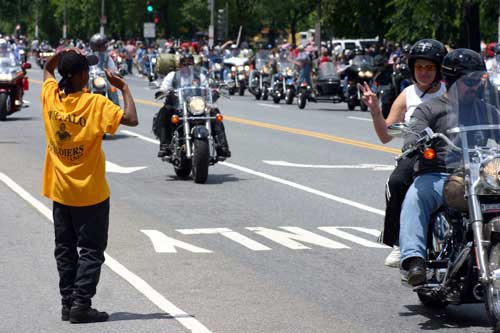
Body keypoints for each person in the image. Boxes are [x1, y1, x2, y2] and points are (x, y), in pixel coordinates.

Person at [41, 49, 138, 323]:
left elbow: (47, 71)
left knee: (65, 250)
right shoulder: (95, 104)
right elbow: (131, 119)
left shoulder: (51, 97)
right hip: (91, 194)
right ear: (83, 76)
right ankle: (81, 305)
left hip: (61, 192)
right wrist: (125, 88)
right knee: (91, 251)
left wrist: (58, 57)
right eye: (86, 70)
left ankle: (67, 303)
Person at [398, 48, 499, 286]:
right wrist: (415, 142)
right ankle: (414, 260)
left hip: (478, 174)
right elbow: (412, 132)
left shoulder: (485, 109)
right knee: (415, 198)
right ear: (452, 80)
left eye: (479, 81)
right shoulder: (430, 109)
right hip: (438, 173)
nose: (476, 87)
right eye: (470, 81)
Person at [360, 39, 447, 267]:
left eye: (429, 67)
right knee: (397, 182)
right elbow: (385, 135)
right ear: (412, 69)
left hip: (451, 154)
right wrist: (376, 111)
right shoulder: (408, 94)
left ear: (438, 69)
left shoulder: (451, 91)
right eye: (419, 67)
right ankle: (400, 242)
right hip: (417, 154)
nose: (424, 72)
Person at [155, 53, 231, 159]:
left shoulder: (200, 76)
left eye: (189, 63)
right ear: (180, 65)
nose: (187, 66)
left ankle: (222, 146)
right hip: (177, 106)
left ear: (193, 64)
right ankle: (164, 145)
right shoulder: (172, 75)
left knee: (215, 114)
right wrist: (163, 91)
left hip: (196, 106)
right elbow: (164, 87)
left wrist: (215, 91)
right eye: (184, 64)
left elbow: (207, 89)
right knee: (163, 113)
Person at [89, 33, 120, 106]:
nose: (103, 46)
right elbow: (83, 66)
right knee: (82, 89)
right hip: (91, 78)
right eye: (100, 45)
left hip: (104, 79)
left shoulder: (107, 57)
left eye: (103, 44)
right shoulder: (88, 56)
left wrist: (115, 72)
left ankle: (117, 110)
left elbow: (113, 68)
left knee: (113, 89)